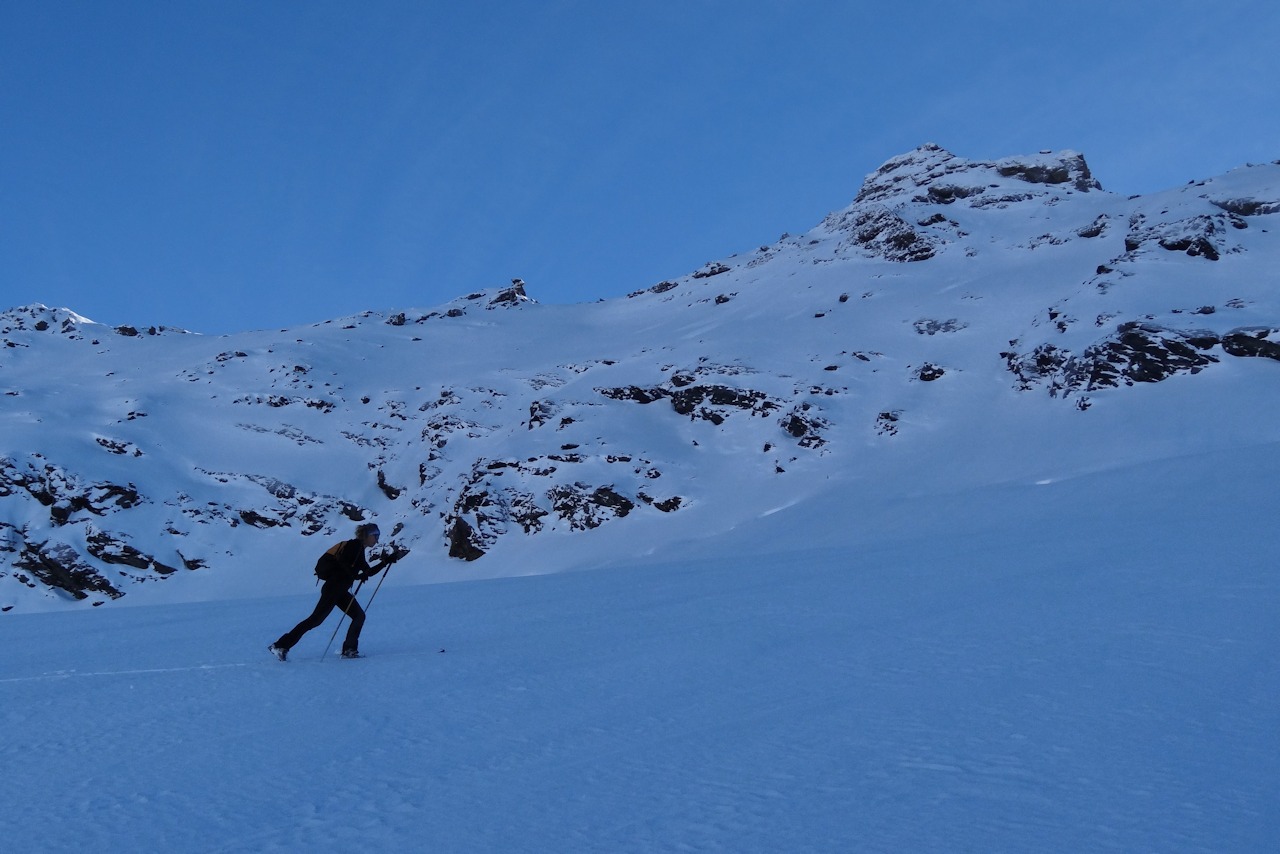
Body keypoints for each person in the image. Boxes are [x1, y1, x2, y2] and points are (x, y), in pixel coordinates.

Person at [269, 523, 389, 660]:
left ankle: (349, 650)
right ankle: (280, 645)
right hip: (334, 588)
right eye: (376, 536)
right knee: (315, 620)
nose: (377, 539)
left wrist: (386, 562)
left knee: (358, 616)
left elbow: (368, 571)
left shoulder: (359, 549)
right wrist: (356, 576)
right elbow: (343, 563)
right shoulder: (354, 546)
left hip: (339, 590)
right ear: (367, 535)